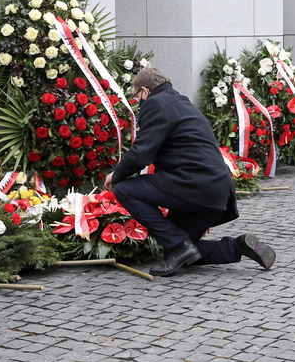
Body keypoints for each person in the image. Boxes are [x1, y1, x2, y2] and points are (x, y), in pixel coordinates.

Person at [104, 67, 276, 276]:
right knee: (181, 250)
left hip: (194, 185)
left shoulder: (155, 104)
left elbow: (142, 153)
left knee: (124, 189)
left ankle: (179, 245)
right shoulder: (181, 102)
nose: (137, 101)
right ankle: (236, 247)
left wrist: (117, 174)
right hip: (216, 191)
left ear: (145, 91)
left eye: (136, 96)